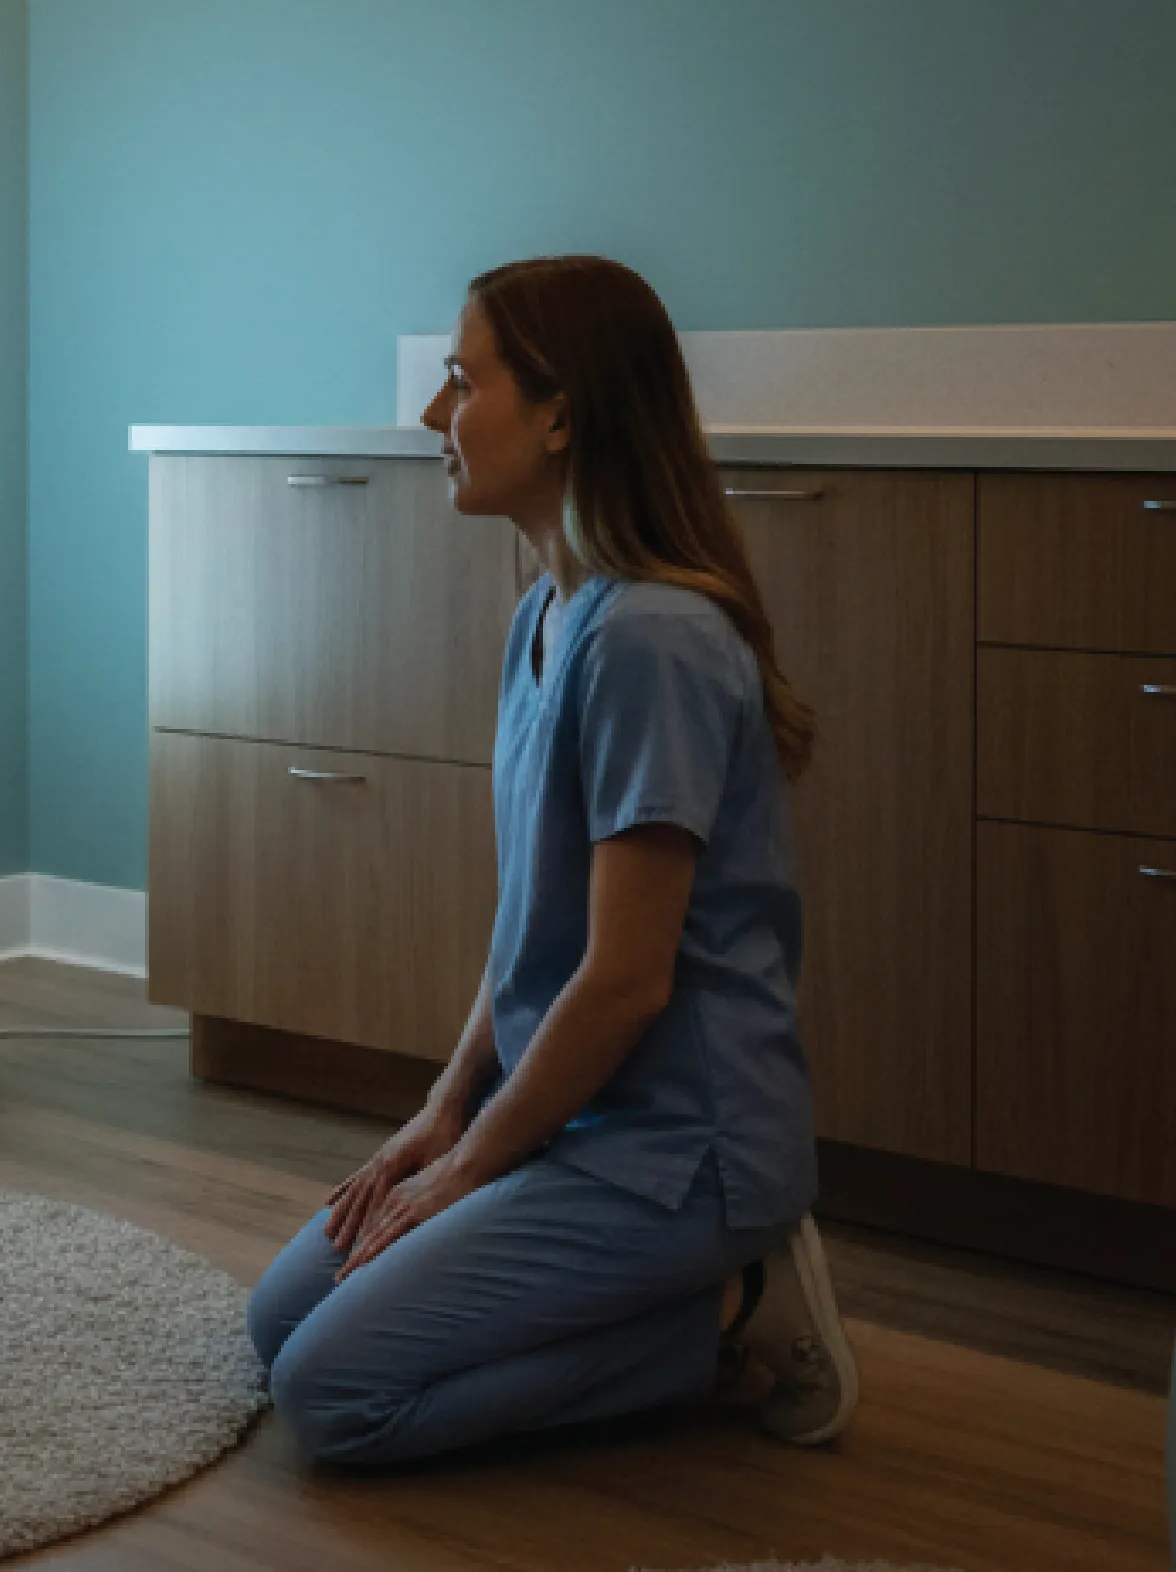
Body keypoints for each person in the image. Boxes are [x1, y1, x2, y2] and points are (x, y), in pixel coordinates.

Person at [244, 257, 859, 1466]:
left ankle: (724, 1318)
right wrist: (439, 1113)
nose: (433, 417)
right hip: (571, 1118)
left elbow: (626, 979)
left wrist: (473, 1168)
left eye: (462, 383)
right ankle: (650, 1301)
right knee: (278, 1323)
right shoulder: (544, 614)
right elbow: (537, 925)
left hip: (679, 1153)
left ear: (561, 414)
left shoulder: (651, 640)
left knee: (331, 1397)